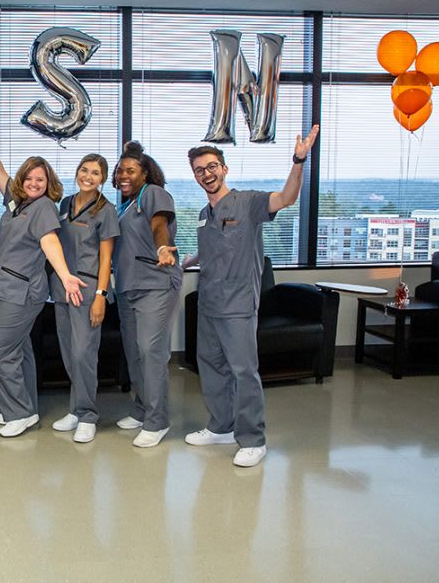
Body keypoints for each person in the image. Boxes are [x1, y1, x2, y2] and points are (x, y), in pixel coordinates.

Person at [184, 124, 320, 467]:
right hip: (209, 303)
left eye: (212, 166)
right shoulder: (204, 216)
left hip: (238, 304)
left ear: (224, 169)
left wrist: (298, 160)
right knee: (211, 367)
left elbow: (287, 198)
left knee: (244, 371)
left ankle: (253, 439)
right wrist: (184, 258)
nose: (207, 174)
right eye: (200, 170)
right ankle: (221, 426)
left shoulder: (249, 203)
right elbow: (210, 249)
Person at [0, 126, 86, 438]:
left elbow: (49, 243)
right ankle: (28, 409)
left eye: (41, 179)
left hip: (21, 293)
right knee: (18, 350)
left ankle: (17, 412)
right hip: (2, 289)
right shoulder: (16, 201)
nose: (34, 183)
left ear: (48, 185)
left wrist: (65, 275)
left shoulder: (44, 207)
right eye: (30, 178)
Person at [112, 142, 181, 449]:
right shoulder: (123, 206)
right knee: (134, 353)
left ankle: (157, 420)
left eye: (131, 170)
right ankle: (141, 409)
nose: (123, 175)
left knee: (151, 352)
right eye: (120, 170)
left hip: (155, 283)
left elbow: (159, 225)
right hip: (128, 286)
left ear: (145, 173)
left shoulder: (153, 193)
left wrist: (163, 248)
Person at [49, 154, 119, 444]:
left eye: (95, 173)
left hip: (89, 288)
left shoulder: (106, 210)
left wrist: (100, 296)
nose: (88, 176)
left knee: (84, 354)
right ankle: (76, 410)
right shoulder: (65, 205)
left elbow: (106, 259)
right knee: (68, 351)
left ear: (102, 179)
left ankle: (88, 415)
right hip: (63, 287)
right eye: (84, 170)